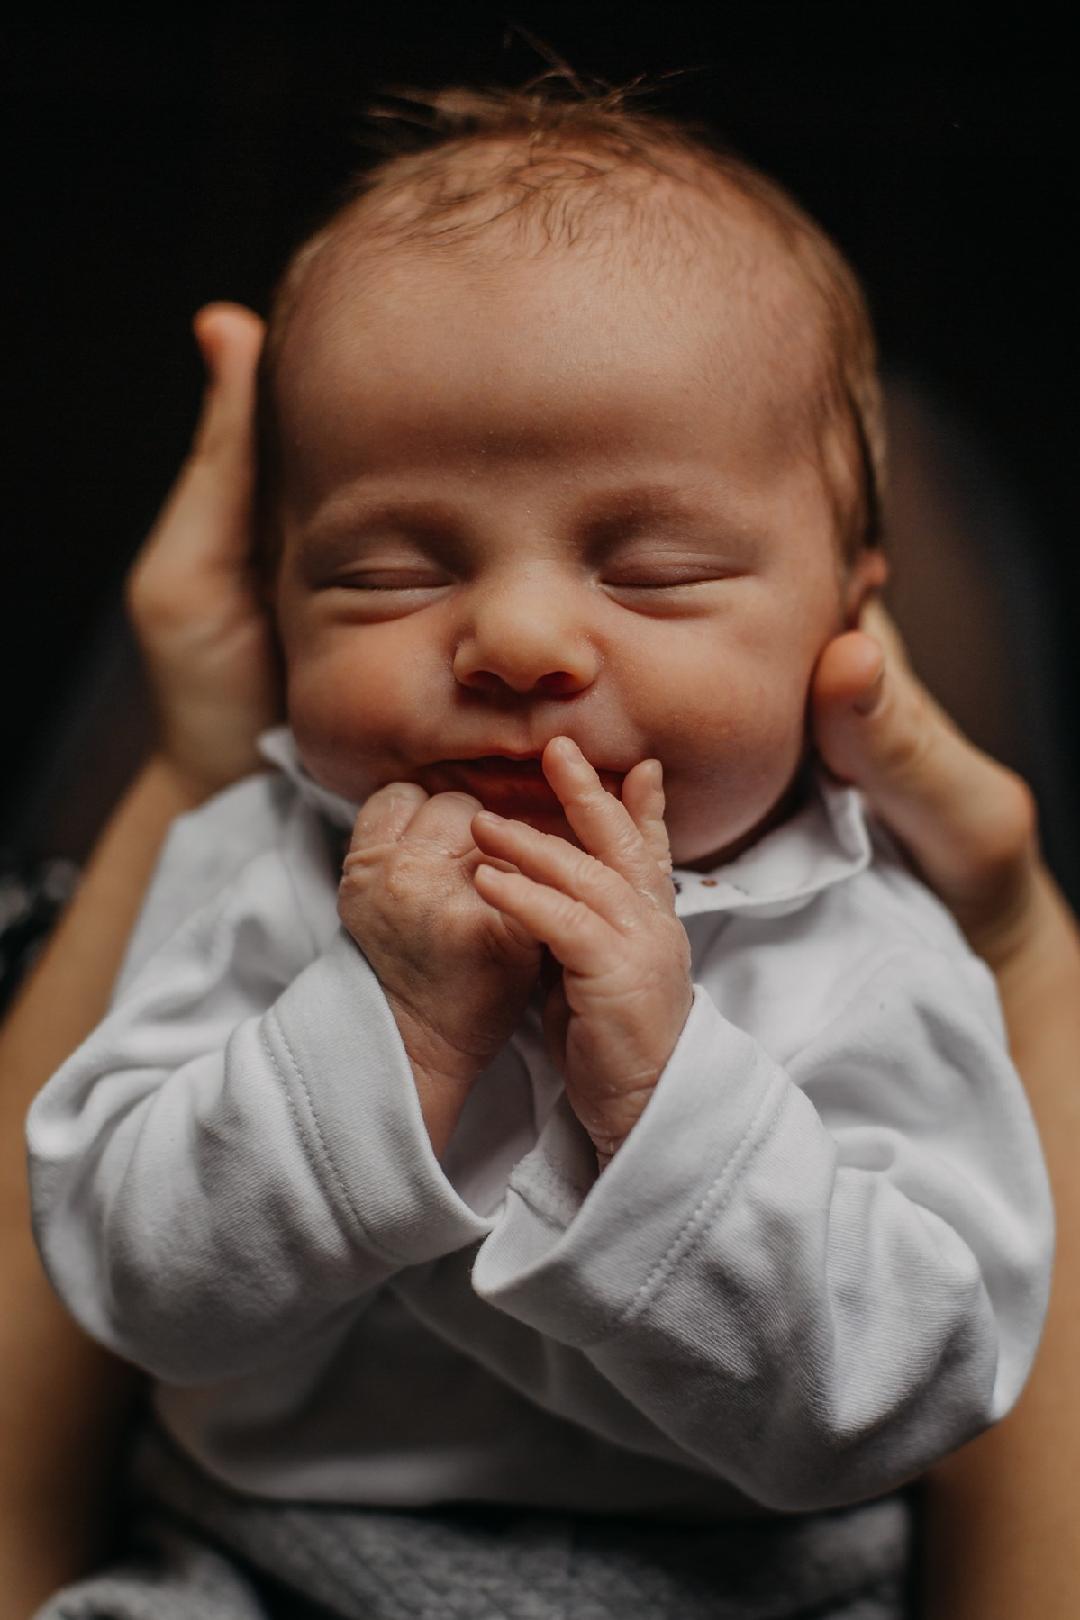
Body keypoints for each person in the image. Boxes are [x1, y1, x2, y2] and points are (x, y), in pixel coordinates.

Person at [12, 92, 1062, 1617]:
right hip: (261, 1564)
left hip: (748, 1585)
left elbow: (917, 1389)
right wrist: (378, 1039)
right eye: (386, 572)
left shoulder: (872, 935)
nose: (511, 636)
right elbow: (123, 1281)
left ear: (848, 618)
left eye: (655, 568)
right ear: (279, 598)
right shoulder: (258, 865)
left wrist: (665, 1098)